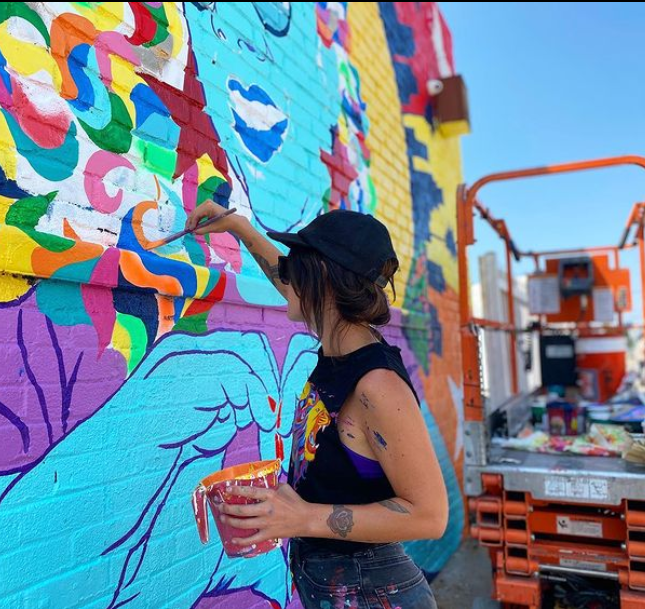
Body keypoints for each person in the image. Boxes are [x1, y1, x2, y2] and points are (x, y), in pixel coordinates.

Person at [185, 202, 448, 609]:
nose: (287, 276)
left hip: (373, 594)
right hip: (343, 585)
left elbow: (430, 515)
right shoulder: (340, 348)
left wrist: (303, 517)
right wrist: (238, 227)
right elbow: (287, 278)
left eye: (298, 264)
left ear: (323, 276)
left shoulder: (376, 386)